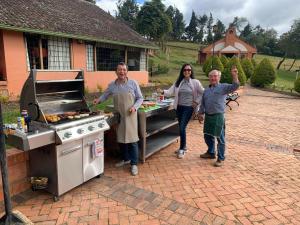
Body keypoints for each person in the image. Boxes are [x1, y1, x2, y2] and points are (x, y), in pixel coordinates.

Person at [93, 62, 143, 176]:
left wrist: (135, 108)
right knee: (120, 138)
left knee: (132, 140)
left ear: (127, 71)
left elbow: (140, 98)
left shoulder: (133, 83)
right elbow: (105, 95)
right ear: (116, 71)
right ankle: (126, 159)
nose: (122, 72)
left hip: (130, 115)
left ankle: (134, 164)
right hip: (118, 115)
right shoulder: (112, 85)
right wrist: (98, 100)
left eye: (124, 70)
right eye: (120, 70)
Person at [159, 63, 204, 159]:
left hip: (188, 108)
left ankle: (182, 149)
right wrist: (162, 91)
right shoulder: (179, 82)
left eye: (189, 70)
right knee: (181, 127)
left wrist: (196, 102)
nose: (187, 71)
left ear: (191, 71)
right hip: (179, 108)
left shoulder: (195, 82)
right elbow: (170, 91)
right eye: (185, 70)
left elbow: (203, 93)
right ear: (182, 71)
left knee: (182, 128)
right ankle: (184, 146)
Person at [198, 66, 240, 167]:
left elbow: (235, 86)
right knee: (207, 135)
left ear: (219, 77)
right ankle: (211, 152)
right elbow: (203, 103)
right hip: (208, 116)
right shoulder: (206, 90)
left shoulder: (223, 87)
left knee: (220, 138)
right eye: (211, 76)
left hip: (218, 116)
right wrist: (200, 113)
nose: (213, 78)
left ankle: (220, 158)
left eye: (215, 76)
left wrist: (235, 76)